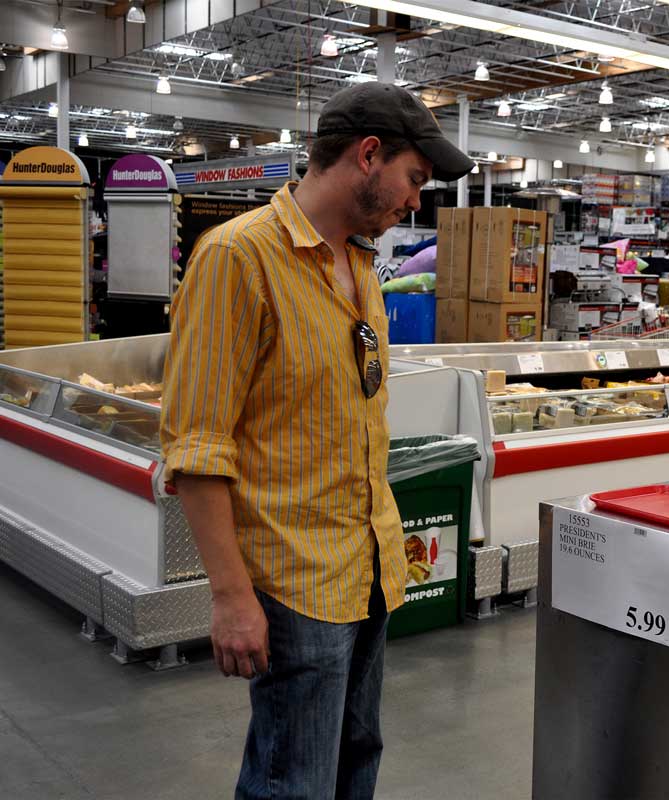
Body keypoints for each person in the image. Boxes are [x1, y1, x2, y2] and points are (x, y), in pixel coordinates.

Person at [159, 82, 473, 799]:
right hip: (294, 582)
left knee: (356, 756)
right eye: (414, 179)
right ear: (368, 155)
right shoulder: (238, 259)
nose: (415, 201)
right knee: (291, 781)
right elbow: (198, 447)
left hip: (367, 567)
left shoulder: (361, 265)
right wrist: (231, 597)